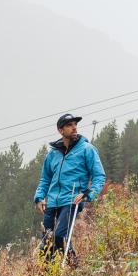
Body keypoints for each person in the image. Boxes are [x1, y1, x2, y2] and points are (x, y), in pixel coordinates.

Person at [33, 113, 106, 265]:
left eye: (75, 124)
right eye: (69, 125)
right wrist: (40, 197)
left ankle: (72, 267)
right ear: (61, 130)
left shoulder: (87, 149)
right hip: (52, 202)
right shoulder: (52, 154)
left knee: (59, 235)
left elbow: (99, 176)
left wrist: (88, 194)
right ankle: (50, 275)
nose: (74, 128)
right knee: (47, 240)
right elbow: (45, 179)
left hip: (72, 200)